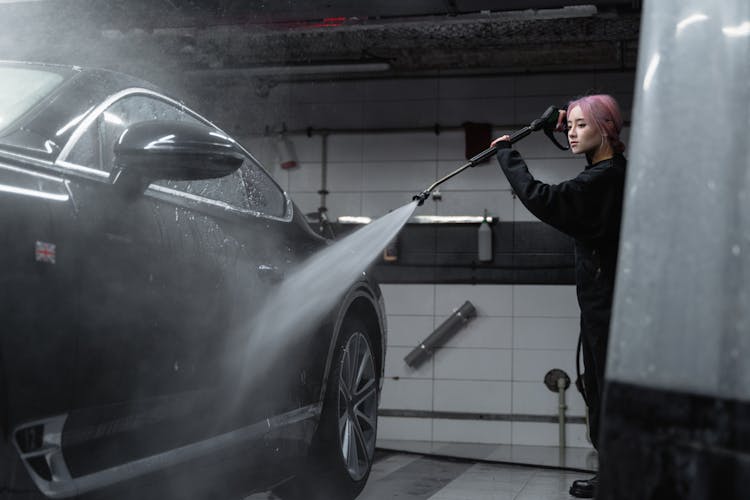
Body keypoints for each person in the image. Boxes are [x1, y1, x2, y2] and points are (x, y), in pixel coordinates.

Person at [491, 94, 627, 499]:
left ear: (605, 129)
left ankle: (617, 478)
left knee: (605, 389)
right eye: (569, 126)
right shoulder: (611, 172)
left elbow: (543, 198)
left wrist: (506, 155)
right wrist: (563, 121)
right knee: (599, 387)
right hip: (605, 304)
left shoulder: (602, 180)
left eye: (581, 126)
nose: (571, 132)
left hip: (608, 306)